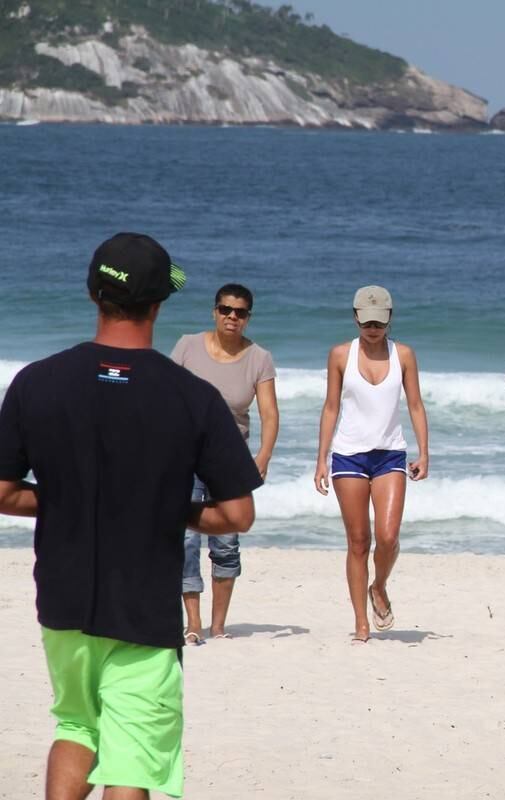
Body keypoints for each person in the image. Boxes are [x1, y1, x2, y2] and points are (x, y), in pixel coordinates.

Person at [0, 233, 261, 799]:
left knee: (75, 726)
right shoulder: (191, 396)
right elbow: (237, 514)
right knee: (133, 758)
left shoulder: (35, 382)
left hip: (63, 599)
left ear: (95, 294)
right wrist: (172, 509)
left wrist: (71, 498)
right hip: (142, 606)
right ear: (159, 304)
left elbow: (3, 492)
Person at [314, 286, 429, 644]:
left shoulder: (404, 354)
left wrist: (424, 452)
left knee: (389, 537)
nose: (373, 328)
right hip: (348, 455)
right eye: (367, 322)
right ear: (356, 318)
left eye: (380, 322)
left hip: (390, 454)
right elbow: (331, 407)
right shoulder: (339, 355)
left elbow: (415, 405)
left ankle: (378, 586)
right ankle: (361, 623)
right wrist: (321, 459)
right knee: (358, 541)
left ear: (390, 319)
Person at [173, 283, 278, 644]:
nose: (232, 317)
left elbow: (269, 413)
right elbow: (163, 397)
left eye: (241, 312)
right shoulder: (187, 346)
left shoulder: (259, 358)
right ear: (214, 312)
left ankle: (218, 626)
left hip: (230, 464)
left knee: (226, 543)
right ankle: (193, 622)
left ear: (248, 318)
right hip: (185, 459)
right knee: (185, 540)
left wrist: (262, 457)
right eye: (226, 310)